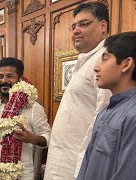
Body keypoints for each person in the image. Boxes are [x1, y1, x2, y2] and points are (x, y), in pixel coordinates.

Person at [44, 2, 112, 180]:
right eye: (73, 26)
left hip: (77, 167)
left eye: (84, 24)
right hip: (62, 162)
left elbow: (102, 121)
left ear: (103, 26)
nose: (75, 30)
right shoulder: (86, 60)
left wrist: (83, 170)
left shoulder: (105, 60)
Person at [0, 57, 51, 180]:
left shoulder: (33, 107)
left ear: (20, 79)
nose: (4, 80)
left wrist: (32, 138)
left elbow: (48, 137)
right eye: (1, 76)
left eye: (10, 76)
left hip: (21, 175)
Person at [77, 31, 136, 180]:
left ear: (126, 64)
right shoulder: (105, 112)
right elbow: (87, 162)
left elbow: (129, 174)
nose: (96, 67)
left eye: (104, 59)